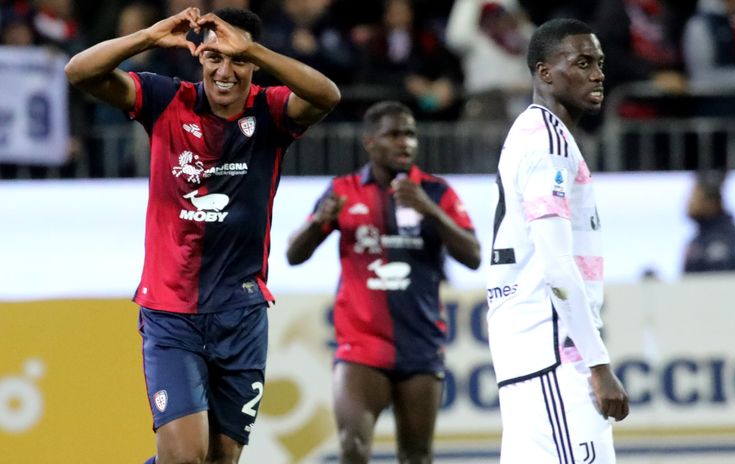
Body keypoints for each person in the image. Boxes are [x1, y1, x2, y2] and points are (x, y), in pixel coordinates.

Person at [64, 6, 340, 464]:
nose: (225, 71)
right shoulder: (164, 99)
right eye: (214, 58)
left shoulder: (270, 111)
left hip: (241, 314)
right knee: (183, 457)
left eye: (238, 60)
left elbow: (326, 95)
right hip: (172, 313)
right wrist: (148, 37)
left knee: (220, 460)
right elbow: (79, 71)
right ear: (200, 60)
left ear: (255, 64)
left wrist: (252, 47)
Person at [285, 100, 480, 464]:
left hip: (420, 344)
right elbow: (294, 256)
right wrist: (317, 223)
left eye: (410, 134)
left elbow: (473, 256)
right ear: (370, 142)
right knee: (353, 449)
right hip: (360, 346)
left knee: (417, 456)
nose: (405, 142)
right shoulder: (342, 190)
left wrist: (431, 211)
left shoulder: (436, 192)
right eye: (393, 134)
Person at [485, 18, 629, 462]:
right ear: (545, 72)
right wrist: (598, 366)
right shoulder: (548, 144)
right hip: (555, 356)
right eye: (582, 62)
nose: (598, 74)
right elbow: (557, 264)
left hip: (532, 355)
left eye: (600, 63)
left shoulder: (539, 134)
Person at [683, 171, 735, 273]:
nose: (689, 203)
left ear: (711, 204)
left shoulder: (720, 241)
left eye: (694, 197)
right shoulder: (699, 240)